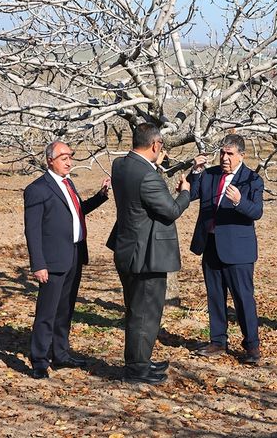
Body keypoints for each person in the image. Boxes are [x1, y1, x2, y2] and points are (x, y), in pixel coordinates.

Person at [107, 124, 191, 384]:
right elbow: (171, 210)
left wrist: (156, 166)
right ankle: (137, 369)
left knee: (136, 310)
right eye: (161, 145)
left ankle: (140, 360)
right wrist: (185, 193)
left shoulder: (120, 165)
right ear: (155, 145)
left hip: (127, 248)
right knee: (146, 313)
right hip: (146, 255)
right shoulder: (148, 176)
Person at [24, 141, 111, 380]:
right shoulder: (37, 189)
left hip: (74, 254)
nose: (69, 162)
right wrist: (38, 264)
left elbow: (77, 211)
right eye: (64, 158)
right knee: (47, 312)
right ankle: (39, 360)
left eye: (71, 157)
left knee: (65, 309)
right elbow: (32, 230)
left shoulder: (68, 183)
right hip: (52, 260)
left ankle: (60, 354)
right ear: (50, 160)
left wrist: (100, 196)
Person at [188, 134, 264, 364]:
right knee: (215, 295)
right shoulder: (210, 174)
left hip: (238, 250)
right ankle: (218, 341)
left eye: (230, 154)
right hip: (210, 245)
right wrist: (195, 172)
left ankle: (252, 346)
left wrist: (240, 201)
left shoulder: (252, 179)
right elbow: (190, 194)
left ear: (241, 155)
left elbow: (256, 212)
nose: (224, 158)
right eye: (222, 153)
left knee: (243, 298)